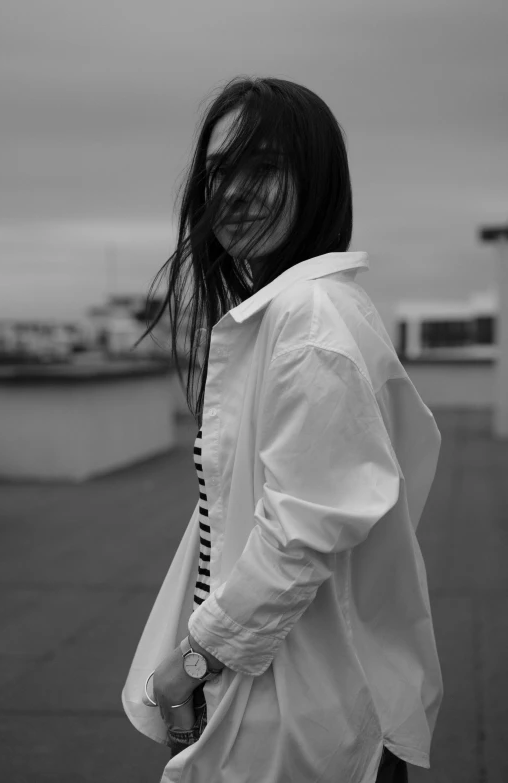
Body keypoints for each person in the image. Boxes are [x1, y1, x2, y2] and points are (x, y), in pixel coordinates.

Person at [122, 75, 444, 783]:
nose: (232, 193)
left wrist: (195, 662)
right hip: (278, 692)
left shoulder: (309, 324)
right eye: (217, 173)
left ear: (317, 180)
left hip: (301, 714)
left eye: (263, 169)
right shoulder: (297, 314)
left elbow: (302, 531)